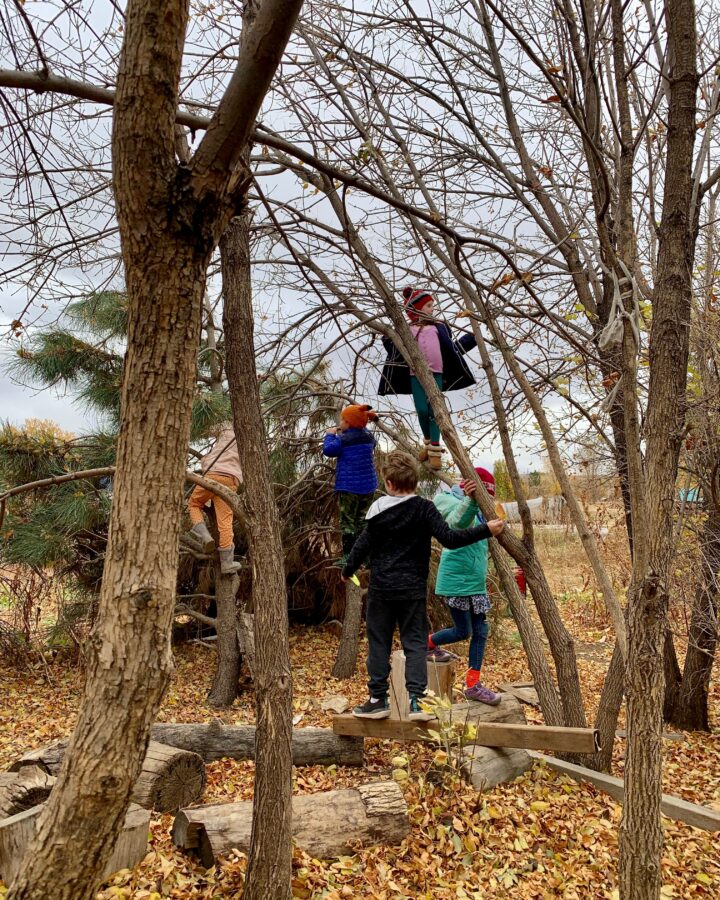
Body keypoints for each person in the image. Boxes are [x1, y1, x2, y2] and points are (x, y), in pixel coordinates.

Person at [342, 451, 505, 720]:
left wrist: (348, 570)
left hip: (382, 590)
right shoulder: (424, 508)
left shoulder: (378, 510)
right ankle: (417, 702)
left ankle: (376, 699)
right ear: (415, 483)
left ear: (389, 483)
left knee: (379, 643)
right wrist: (486, 529)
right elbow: (450, 539)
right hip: (412, 591)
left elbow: (363, 544)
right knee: (415, 645)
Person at [378, 287, 477, 470]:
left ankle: (435, 452)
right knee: (422, 410)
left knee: (435, 411)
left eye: (432, 305)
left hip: (437, 373)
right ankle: (428, 442)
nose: (433, 309)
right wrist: (388, 336)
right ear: (417, 308)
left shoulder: (439, 327)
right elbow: (393, 347)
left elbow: (452, 350)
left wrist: (471, 339)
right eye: (429, 305)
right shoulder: (407, 329)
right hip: (415, 373)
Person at [427, 466, 502, 705]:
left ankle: (472, 684)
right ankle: (427, 644)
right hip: (457, 579)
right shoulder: (446, 499)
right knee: (463, 631)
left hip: (475, 581)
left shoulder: (482, 507)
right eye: (485, 495)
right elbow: (456, 525)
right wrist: (471, 501)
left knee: (481, 631)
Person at [323, 403, 379, 564]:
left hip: (349, 487)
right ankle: (367, 557)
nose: (340, 423)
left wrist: (330, 435)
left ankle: (349, 557)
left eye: (342, 420)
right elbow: (366, 430)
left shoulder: (344, 439)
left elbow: (329, 451)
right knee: (363, 521)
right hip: (368, 487)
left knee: (348, 522)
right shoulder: (368, 437)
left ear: (349, 423)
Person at [187, 422, 242, 575]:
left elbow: (205, 425)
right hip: (231, 480)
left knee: (194, 503)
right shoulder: (248, 435)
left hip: (213, 473)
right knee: (225, 522)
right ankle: (227, 563)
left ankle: (203, 535)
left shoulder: (226, 425)